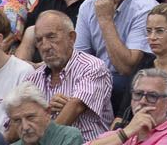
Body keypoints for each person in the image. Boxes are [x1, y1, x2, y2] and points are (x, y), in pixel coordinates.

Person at [75, 0, 158, 112]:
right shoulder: (87, 6)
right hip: (94, 76)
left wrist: (106, 20)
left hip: (129, 79)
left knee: (116, 83)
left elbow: (127, 67)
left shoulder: (145, 7)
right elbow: (79, 58)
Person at [26, 11, 113, 141]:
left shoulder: (92, 67)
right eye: (39, 40)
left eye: (51, 37)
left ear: (71, 37)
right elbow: (18, 122)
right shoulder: (33, 78)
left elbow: (76, 106)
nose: (45, 46)